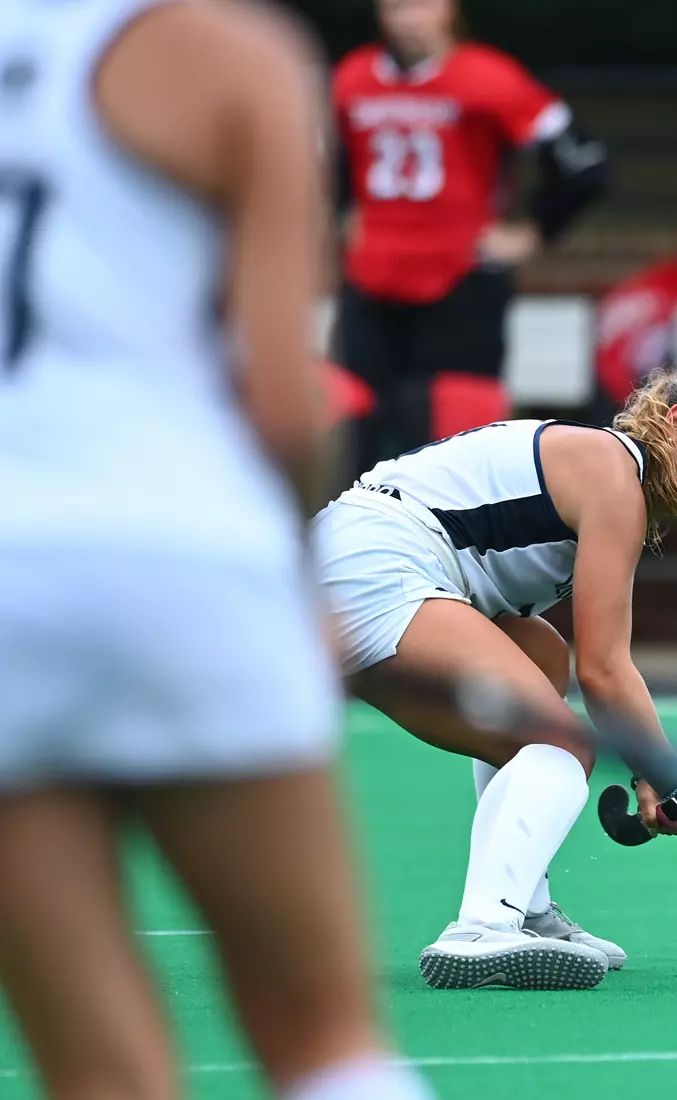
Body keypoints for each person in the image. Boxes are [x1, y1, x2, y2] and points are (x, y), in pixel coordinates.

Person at [0, 1, 432, 1096]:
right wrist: (293, 576)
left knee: (95, 1072)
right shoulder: (228, 56)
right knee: (323, 1035)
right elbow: (286, 401)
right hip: (182, 554)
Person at [311, 366, 677, 990]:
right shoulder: (617, 475)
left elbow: (580, 661)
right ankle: (483, 927)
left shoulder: (611, 478)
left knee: (541, 659)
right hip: (374, 561)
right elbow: (607, 669)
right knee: (562, 743)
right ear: (676, 419)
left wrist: (656, 777)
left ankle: (524, 908)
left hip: (354, 560)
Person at [332, 0, 609, 472]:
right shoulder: (352, 77)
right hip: (373, 282)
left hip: (458, 283)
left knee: (454, 451)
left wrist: (533, 232)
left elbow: (584, 165)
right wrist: (343, 215)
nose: (407, 17)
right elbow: (335, 161)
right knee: (356, 438)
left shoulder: (488, 77)